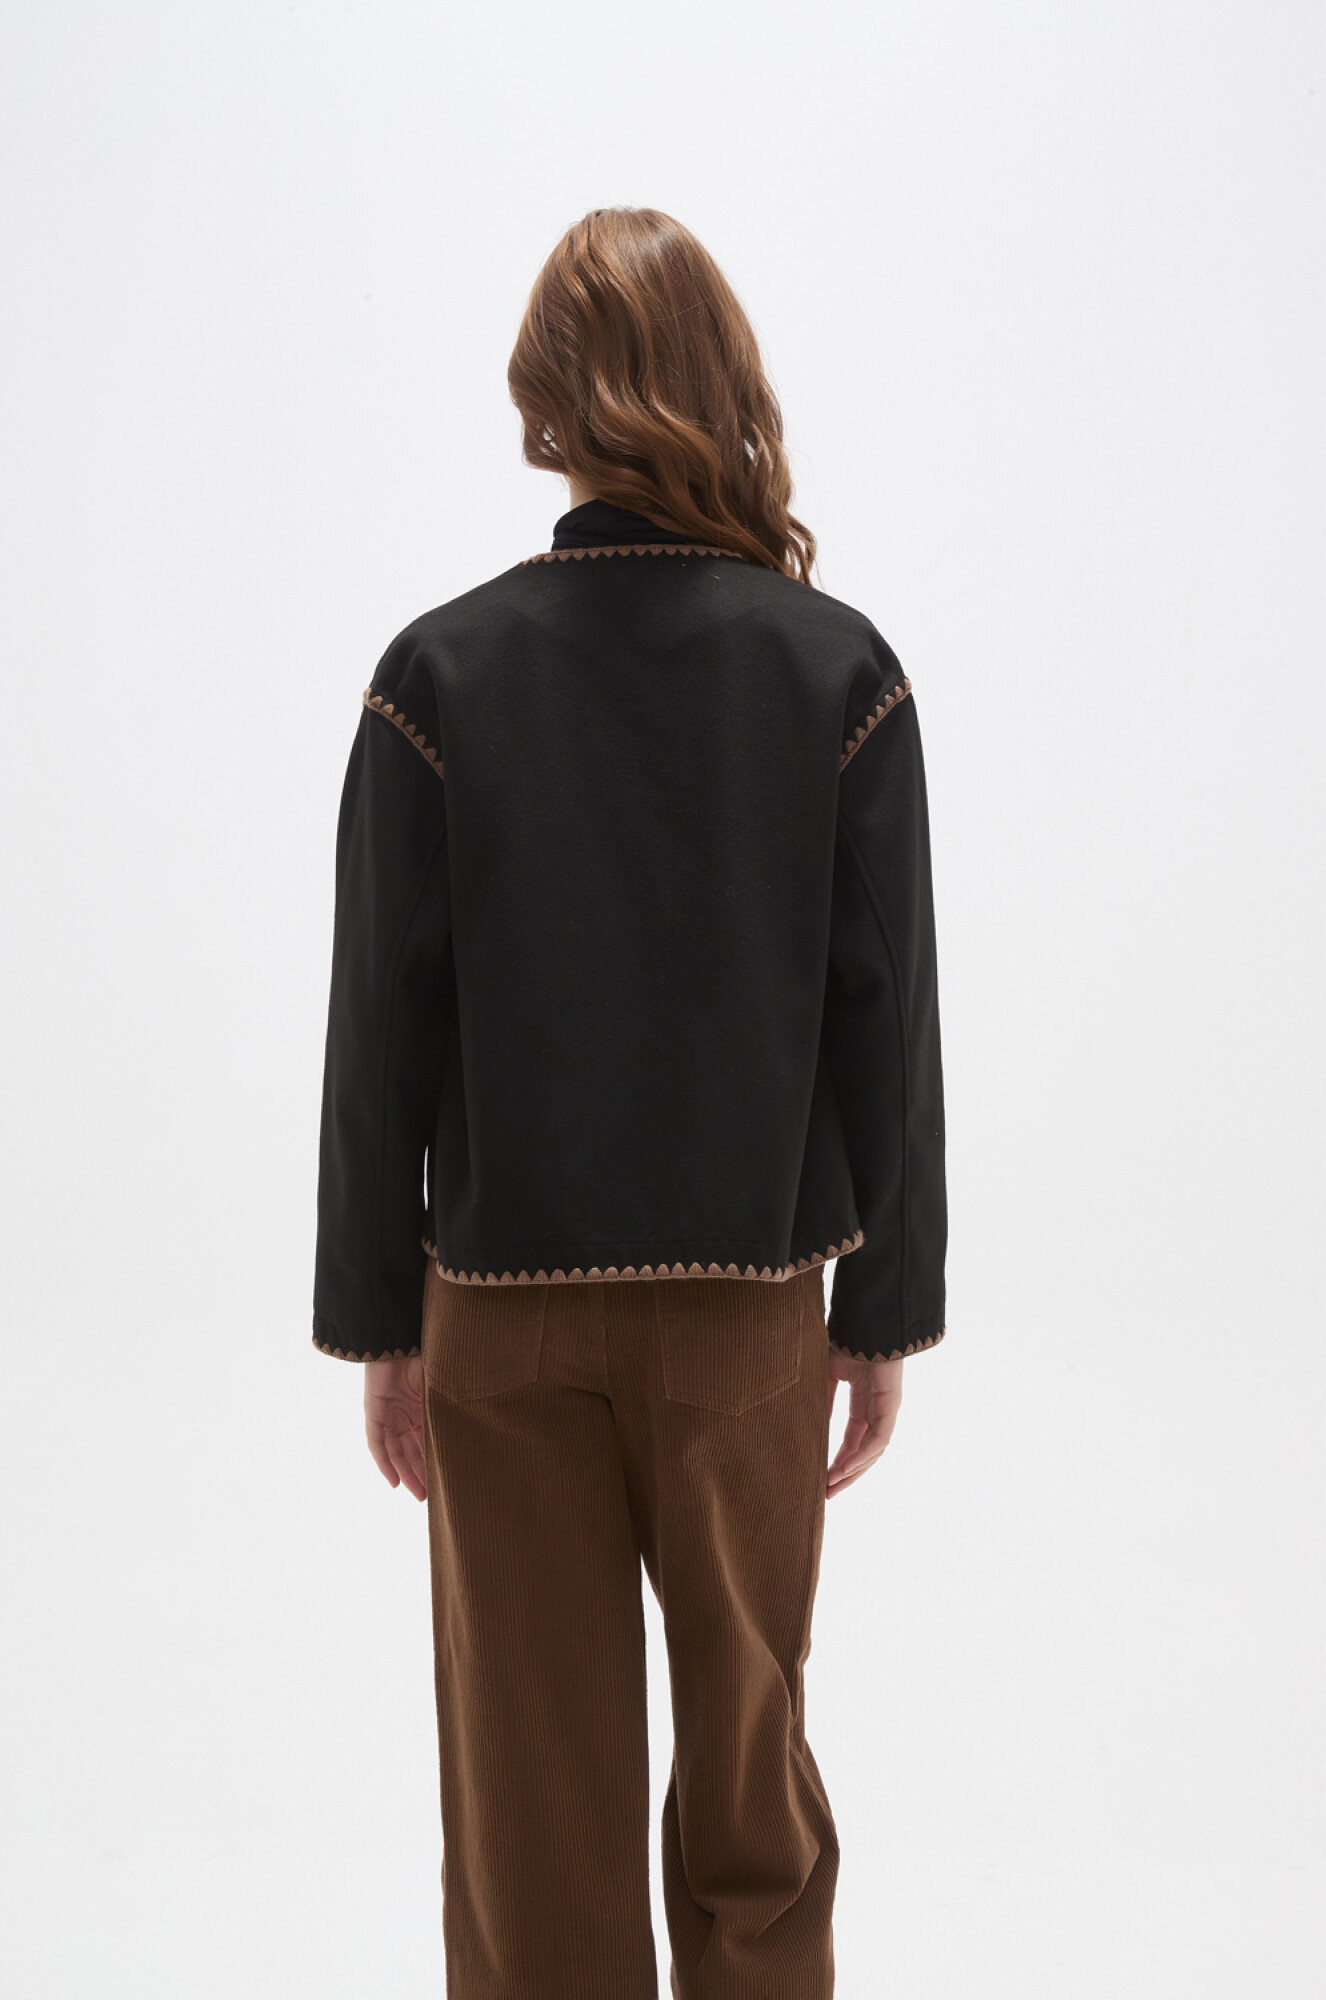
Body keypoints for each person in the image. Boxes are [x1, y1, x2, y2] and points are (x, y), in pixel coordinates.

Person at [312, 205, 947, 1998]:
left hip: (499, 1311)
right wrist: (882, 1306)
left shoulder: (438, 675)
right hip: (749, 1312)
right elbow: (887, 1018)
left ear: (542, 401)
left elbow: (378, 1027)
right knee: (751, 1784)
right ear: (724, 382)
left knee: (532, 1810)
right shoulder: (835, 670)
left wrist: (379, 1316)